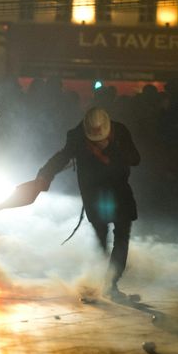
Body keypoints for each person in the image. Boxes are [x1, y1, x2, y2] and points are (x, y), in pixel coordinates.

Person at [36, 107, 140, 300]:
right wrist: (45, 174)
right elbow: (62, 157)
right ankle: (100, 279)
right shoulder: (76, 136)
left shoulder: (120, 132)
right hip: (94, 193)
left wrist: (109, 152)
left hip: (118, 190)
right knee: (102, 237)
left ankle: (111, 282)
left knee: (122, 236)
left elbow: (135, 159)